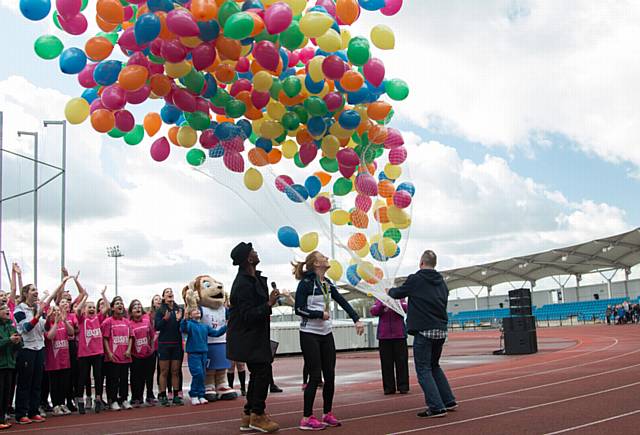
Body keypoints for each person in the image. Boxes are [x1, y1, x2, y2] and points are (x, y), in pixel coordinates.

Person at [293, 251, 364, 430]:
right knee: (315, 375)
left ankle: (327, 413)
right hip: (309, 333)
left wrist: (356, 319)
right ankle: (306, 417)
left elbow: (342, 301)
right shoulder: (306, 284)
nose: (327, 258)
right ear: (316, 263)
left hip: (326, 333)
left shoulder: (327, 283)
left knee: (330, 375)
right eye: (323, 257)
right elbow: (299, 309)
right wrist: (319, 314)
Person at [387, 250, 457, 418]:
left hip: (424, 330)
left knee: (423, 369)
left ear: (421, 263)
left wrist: (389, 290)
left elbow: (398, 293)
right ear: (435, 264)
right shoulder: (442, 282)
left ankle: (436, 406)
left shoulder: (416, 279)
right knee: (434, 366)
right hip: (440, 330)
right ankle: (448, 400)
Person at [226, 242, 280, 433]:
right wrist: (269, 303)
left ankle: (249, 414)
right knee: (262, 373)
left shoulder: (253, 279)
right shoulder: (242, 284)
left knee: (258, 374)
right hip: (248, 337)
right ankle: (258, 415)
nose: (257, 253)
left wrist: (268, 304)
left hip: (255, 336)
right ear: (249, 258)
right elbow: (248, 315)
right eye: (253, 251)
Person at [14, 277, 65, 424]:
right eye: (33, 290)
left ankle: (34, 411)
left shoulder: (37, 309)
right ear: (25, 293)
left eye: (36, 290)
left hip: (39, 348)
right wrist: (38, 315)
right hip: (27, 349)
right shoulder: (20, 309)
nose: (36, 292)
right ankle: (21, 413)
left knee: (37, 382)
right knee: (25, 382)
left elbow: (45, 328)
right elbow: (25, 328)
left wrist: (49, 319)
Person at [181, 307, 227, 405]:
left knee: (202, 374)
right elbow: (183, 328)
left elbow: (216, 333)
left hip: (204, 353)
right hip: (193, 354)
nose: (197, 311)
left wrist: (226, 326)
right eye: (194, 310)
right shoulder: (189, 324)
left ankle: (201, 395)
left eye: (198, 310)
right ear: (190, 315)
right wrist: (184, 319)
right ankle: (194, 394)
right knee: (197, 373)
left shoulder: (204, 326)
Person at [75, 282, 106, 414]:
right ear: (85, 310)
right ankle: (81, 401)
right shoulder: (82, 320)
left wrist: (103, 295)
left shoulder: (98, 318)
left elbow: (107, 307)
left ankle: (98, 399)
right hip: (84, 353)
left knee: (98, 376)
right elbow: (77, 310)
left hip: (97, 352)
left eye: (94, 307)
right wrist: (85, 299)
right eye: (89, 307)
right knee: (83, 377)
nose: (92, 309)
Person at [370, 298, 409, 395]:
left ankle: (403, 386)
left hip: (399, 334)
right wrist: (383, 305)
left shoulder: (400, 297)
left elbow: (406, 308)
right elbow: (373, 311)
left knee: (402, 361)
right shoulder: (380, 298)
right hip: (384, 336)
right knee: (386, 362)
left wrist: (395, 303)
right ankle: (389, 387)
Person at [102, 296, 133, 411]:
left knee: (124, 379)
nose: (120, 305)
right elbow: (105, 338)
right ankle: (113, 400)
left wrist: (129, 349)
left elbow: (131, 337)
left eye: (121, 303)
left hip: (125, 356)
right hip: (113, 356)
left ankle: (124, 399)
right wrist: (109, 353)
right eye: (117, 304)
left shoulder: (127, 322)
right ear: (112, 307)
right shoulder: (107, 322)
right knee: (113, 379)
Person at [154, 288, 184, 407]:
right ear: (163, 297)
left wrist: (179, 320)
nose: (170, 293)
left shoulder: (179, 309)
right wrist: (164, 320)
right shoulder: (160, 310)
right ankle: (163, 394)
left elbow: (183, 327)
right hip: (164, 344)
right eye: (167, 292)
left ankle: (176, 395)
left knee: (175, 371)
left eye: (171, 291)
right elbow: (157, 327)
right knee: (164, 371)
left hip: (176, 344)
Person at [44, 305, 74, 416]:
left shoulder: (63, 323)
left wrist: (65, 321)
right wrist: (56, 323)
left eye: (58, 311)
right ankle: (55, 405)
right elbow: (50, 337)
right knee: (55, 384)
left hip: (64, 360)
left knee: (64, 384)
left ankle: (62, 403)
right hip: (53, 361)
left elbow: (71, 332)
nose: (56, 313)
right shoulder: (48, 325)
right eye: (54, 311)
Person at [128, 300, 155, 408]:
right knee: (136, 377)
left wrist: (152, 348)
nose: (138, 308)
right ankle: (136, 397)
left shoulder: (146, 321)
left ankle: (149, 395)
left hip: (148, 354)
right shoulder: (129, 324)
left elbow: (152, 336)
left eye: (139, 306)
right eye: (135, 307)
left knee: (148, 376)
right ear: (131, 311)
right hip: (136, 355)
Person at [0, 303, 22, 429]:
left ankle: (2, 417)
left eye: (8, 309)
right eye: (3, 309)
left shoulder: (11, 327)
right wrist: (9, 340)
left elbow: (19, 345)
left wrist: (18, 341)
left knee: (6, 393)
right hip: (1, 364)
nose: (7, 311)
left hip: (10, 364)